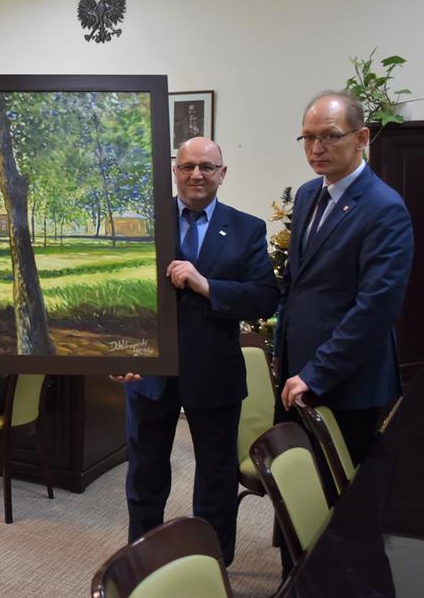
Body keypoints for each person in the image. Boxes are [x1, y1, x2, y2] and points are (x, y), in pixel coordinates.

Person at [112, 137, 279, 565]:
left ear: (222, 174)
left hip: (214, 374)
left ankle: (212, 565)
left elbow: (264, 298)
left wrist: (207, 286)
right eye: (187, 166)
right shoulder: (148, 224)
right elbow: (122, 299)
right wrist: (120, 355)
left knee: (216, 478)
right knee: (145, 476)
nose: (196, 174)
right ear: (175, 171)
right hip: (149, 375)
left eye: (207, 166)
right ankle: (143, 565)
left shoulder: (246, 228)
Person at [275, 91, 414, 466]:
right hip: (298, 372)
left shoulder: (384, 208)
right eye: (308, 137)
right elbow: (295, 281)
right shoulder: (308, 194)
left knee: (343, 493)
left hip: (349, 382)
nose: (316, 148)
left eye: (330, 136)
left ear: (361, 138)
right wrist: (283, 355)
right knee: (299, 482)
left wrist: (316, 373)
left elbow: (376, 309)